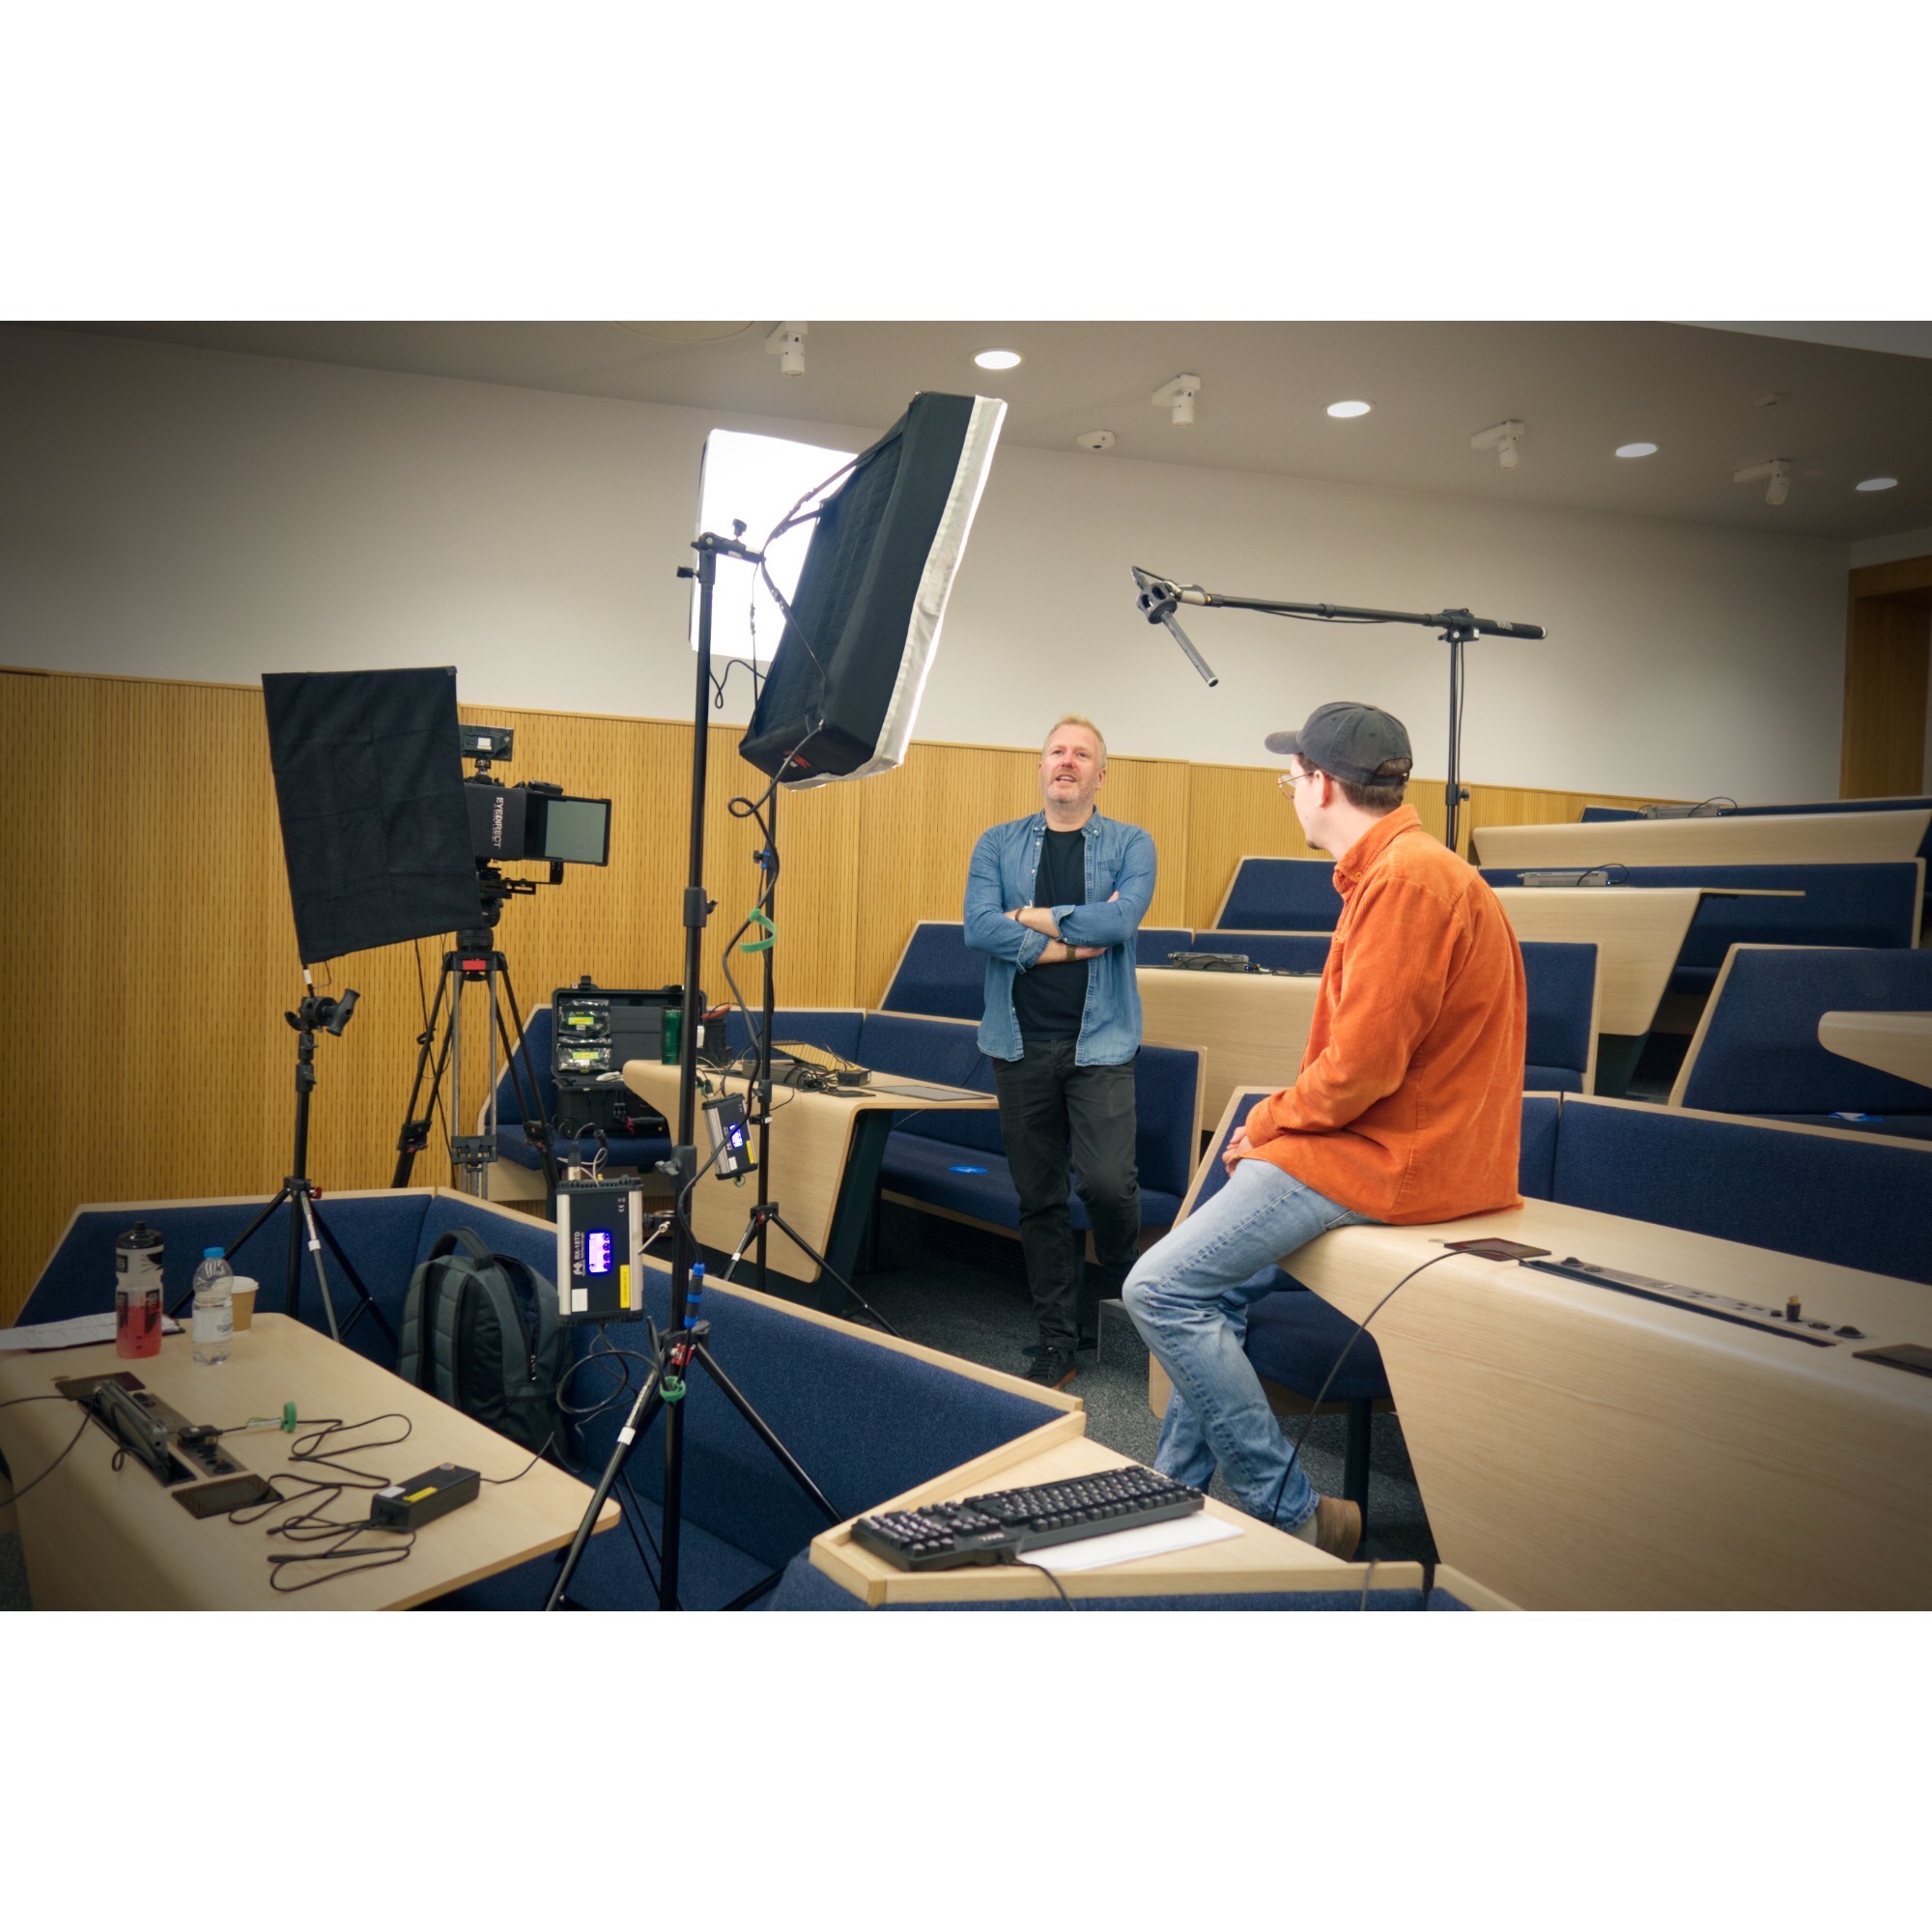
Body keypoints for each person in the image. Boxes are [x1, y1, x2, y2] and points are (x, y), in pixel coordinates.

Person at [1122, 701, 1526, 1555]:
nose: (1290, 792)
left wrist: (1268, 1120)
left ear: (1325, 785)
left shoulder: (1407, 883)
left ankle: (1292, 1511)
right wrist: (1279, 1131)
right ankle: (1172, 1495)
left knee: (1160, 1288)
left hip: (1398, 1159)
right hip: (1389, 1144)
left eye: (1292, 777)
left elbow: (1361, 1072)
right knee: (1213, 1288)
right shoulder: (1405, 870)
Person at [964, 716, 1157, 1387]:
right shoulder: (998, 843)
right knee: (1039, 1197)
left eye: (1081, 755)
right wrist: (1072, 944)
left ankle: (1133, 1296)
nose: (1067, 762)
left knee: (1107, 1183)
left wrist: (1023, 917)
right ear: (1041, 767)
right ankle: (1056, 1339)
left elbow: (1120, 920)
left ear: (1101, 775)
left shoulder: (1132, 843)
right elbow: (977, 927)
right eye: (1057, 752)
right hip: (1019, 1043)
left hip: (1101, 1043)